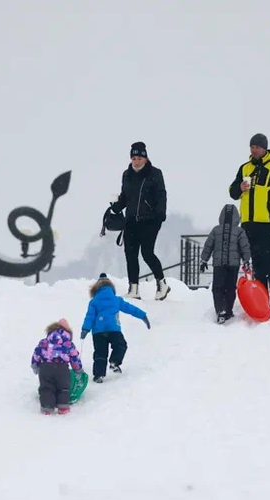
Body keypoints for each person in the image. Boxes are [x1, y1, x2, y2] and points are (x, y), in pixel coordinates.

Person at [228, 133, 270, 297]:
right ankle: (261, 292)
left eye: (257, 147)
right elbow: (232, 192)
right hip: (247, 222)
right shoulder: (244, 168)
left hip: (266, 221)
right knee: (254, 258)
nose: (254, 150)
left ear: (264, 148)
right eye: (252, 147)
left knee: (268, 255)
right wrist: (240, 188)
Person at [110, 141, 170, 301]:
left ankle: (162, 283)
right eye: (134, 158)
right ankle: (134, 288)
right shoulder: (126, 175)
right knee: (130, 254)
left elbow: (161, 195)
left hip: (150, 220)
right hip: (131, 220)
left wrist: (160, 214)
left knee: (147, 253)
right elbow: (125, 197)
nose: (136, 161)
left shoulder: (155, 173)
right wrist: (116, 207)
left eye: (139, 158)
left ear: (146, 158)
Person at [80, 273, 150, 383]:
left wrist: (85, 329)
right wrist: (142, 315)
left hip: (98, 332)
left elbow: (90, 316)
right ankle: (114, 362)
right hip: (114, 330)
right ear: (111, 288)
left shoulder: (94, 302)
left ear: (95, 289)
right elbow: (130, 308)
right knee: (120, 345)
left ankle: (98, 375)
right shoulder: (116, 300)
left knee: (100, 353)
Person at [199, 204, 252, 323]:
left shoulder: (216, 230)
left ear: (221, 216)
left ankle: (220, 310)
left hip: (219, 264)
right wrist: (246, 261)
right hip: (233, 265)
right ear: (237, 217)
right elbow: (245, 247)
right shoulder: (239, 231)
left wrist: (204, 260)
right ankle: (228, 310)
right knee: (230, 288)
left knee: (217, 288)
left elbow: (208, 246)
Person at [31, 318, 84, 415]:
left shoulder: (44, 342)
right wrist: (78, 369)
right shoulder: (69, 344)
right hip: (62, 369)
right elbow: (74, 357)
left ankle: (47, 407)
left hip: (45, 368)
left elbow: (37, 353)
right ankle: (63, 407)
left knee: (46, 387)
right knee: (63, 388)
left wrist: (35, 365)